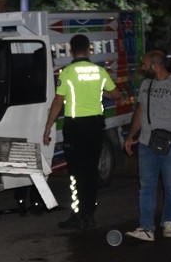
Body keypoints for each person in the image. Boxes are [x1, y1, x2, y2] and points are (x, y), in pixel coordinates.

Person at [43, 34, 117, 230]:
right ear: (89, 49)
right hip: (95, 126)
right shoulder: (99, 71)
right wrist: (99, 91)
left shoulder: (67, 72)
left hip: (75, 128)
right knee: (91, 171)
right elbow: (115, 93)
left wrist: (48, 126)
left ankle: (77, 215)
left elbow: (58, 102)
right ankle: (89, 215)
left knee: (76, 173)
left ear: (70, 49)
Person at [123, 50, 171, 241]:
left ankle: (169, 222)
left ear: (155, 66)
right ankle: (146, 228)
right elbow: (139, 112)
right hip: (146, 143)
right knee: (146, 185)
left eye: (144, 65)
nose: (142, 68)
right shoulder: (146, 84)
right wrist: (131, 136)